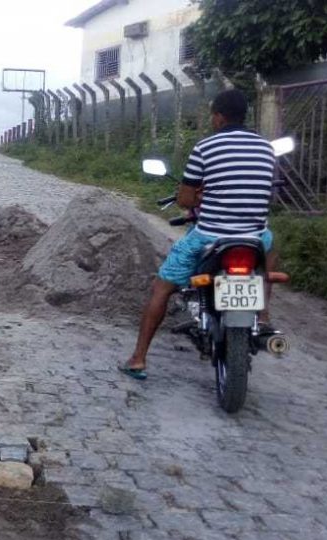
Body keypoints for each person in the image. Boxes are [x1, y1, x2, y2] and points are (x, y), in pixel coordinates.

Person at [119, 89, 277, 381]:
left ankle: (138, 358)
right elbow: (267, 192)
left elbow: (186, 200)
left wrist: (199, 197)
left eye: (213, 115)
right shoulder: (266, 149)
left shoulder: (205, 148)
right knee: (269, 248)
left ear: (218, 117)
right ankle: (264, 316)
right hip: (254, 237)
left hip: (209, 236)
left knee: (162, 288)